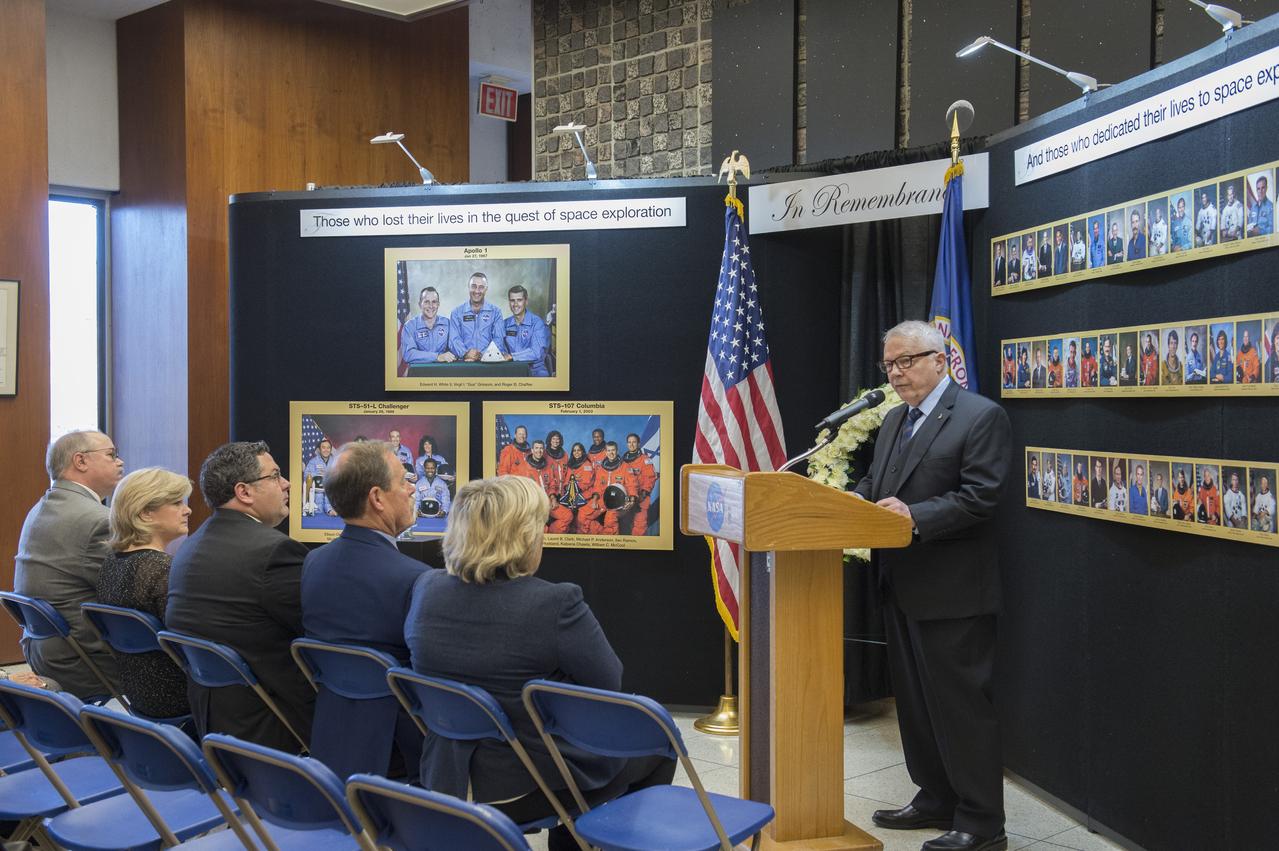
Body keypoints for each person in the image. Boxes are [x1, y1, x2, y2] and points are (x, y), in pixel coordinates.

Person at [405, 476, 676, 850]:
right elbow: (609, 684)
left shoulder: (426, 589)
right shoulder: (555, 604)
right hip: (524, 783)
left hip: (443, 776)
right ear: (523, 535)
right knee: (659, 741)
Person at [854, 321, 1010, 851]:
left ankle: (983, 823)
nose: (896, 373)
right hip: (901, 585)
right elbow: (877, 488)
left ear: (940, 360)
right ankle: (935, 797)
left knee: (962, 710)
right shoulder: (896, 418)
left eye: (907, 361)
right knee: (917, 707)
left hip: (955, 593)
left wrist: (912, 515)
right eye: (889, 364)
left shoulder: (980, 415)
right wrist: (846, 501)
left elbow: (981, 496)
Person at [166, 441, 313, 752]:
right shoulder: (273, 551)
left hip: (214, 719)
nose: (286, 483)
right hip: (277, 724)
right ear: (244, 492)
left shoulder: (189, 547)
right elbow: (320, 630)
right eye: (275, 476)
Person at [301, 440, 431, 780]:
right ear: (377, 498)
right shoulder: (415, 579)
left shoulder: (313, 563)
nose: (412, 489)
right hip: (400, 755)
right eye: (404, 481)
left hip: (333, 740)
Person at [14, 430, 125, 699]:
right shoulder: (97, 519)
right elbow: (129, 593)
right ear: (81, 461)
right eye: (111, 454)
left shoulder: (41, 508)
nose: (120, 461)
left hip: (43, 652)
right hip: (87, 663)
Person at [95, 467, 191, 718]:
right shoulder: (161, 569)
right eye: (177, 502)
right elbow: (192, 645)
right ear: (145, 513)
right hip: (178, 696)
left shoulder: (111, 563)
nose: (187, 509)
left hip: (139, 695)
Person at [514, 440, 574, 534]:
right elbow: (520, 491)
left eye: (541, 448)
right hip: (534, 505)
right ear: (532, 450)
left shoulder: (547, 466)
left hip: (548, 501)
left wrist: (553, 498)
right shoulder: (523, 468)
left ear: (544, 450)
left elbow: (551, 485)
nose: (539, 450)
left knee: (568, 516)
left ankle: (552, 534)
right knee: (541, 528)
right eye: (537, 448)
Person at [448, 272, 504, 361]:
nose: (477, 291)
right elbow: (454, 340)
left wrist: (483, 355)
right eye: (473, 286)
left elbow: (499, 339)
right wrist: (465, 353)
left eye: (481, 287)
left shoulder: (496, 313)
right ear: (468, 287)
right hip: (464, 363)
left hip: (489, 363)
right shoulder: (456, 313)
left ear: (486, 289)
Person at [499, 285, 551, 376]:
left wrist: (512, 356)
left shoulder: (537, 324)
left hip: (535, 371)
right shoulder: (504, 324)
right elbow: (499, 347)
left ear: (526, 301)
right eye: (512, 300)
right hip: (513, 370)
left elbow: (536, 352)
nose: (515, 304)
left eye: (519, 300)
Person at [400, 286, 455, 367]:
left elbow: (455, 347)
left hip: (444, 372)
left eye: (434, 302)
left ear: (438, 304)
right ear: (420, 304)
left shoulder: (447, 324)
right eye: (426, 302)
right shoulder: (410, 326)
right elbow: (409, 354)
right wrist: (437, 357)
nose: (431, 306)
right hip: (419, 375)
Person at [581, 441, 628, 535]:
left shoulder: (625, 467)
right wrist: (594, 499)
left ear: (617, 450)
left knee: (610, 521)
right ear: (605, 452)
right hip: (602, 499)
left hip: (618, 501)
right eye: (609, 450)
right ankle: (601, 536)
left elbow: (631, 485)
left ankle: (609, 541)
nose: (611, 453)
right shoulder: (602, 468)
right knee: (583, 515)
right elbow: (597, 486)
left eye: (613, 450)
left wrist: (631, 499)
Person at [621, 433, 657, 534]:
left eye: (634, 442)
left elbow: (650, 478)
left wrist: (643, 494)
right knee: (623, 524)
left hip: (641, 497)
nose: (631, 444)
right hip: (626, 497)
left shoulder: (645, 460)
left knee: (640, 524)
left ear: (638, 444)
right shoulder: (623, 460)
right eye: (629, 442)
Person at [562, 442, 596, 529]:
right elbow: (566, 481)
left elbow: (587, 483)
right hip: (572, 494)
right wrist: (567, 487)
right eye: (574, 450)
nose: (576, 452)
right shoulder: (571, 464)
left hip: (584, 495)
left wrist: (574, 489)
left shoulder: (587, 465)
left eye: (579, 450)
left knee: (579, 518)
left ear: (582, 452)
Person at [303, 438, 336, 517]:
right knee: (318, 498)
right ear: (319, 449)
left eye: (328, 448)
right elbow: (306, 475)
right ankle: (317, 509)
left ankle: (330, 509)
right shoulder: (313, 462)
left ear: (331, 450)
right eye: (323, 447)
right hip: (317, 491)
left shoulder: (336, 461)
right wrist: (317, 474)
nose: (326, 450)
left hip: (331, 490)